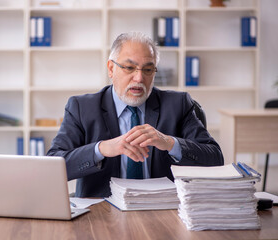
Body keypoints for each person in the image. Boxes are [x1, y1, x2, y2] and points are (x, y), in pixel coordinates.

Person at [47, 32, 224, 197]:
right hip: (103, 211)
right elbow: (53, 165)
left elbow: (215, 159)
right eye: (129, 68)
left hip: (163, 210)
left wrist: (170, 143)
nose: (139, 78)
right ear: (111, 69)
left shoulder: (178, 104)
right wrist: (101, 149)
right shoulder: (82, 107)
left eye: (148, 70)